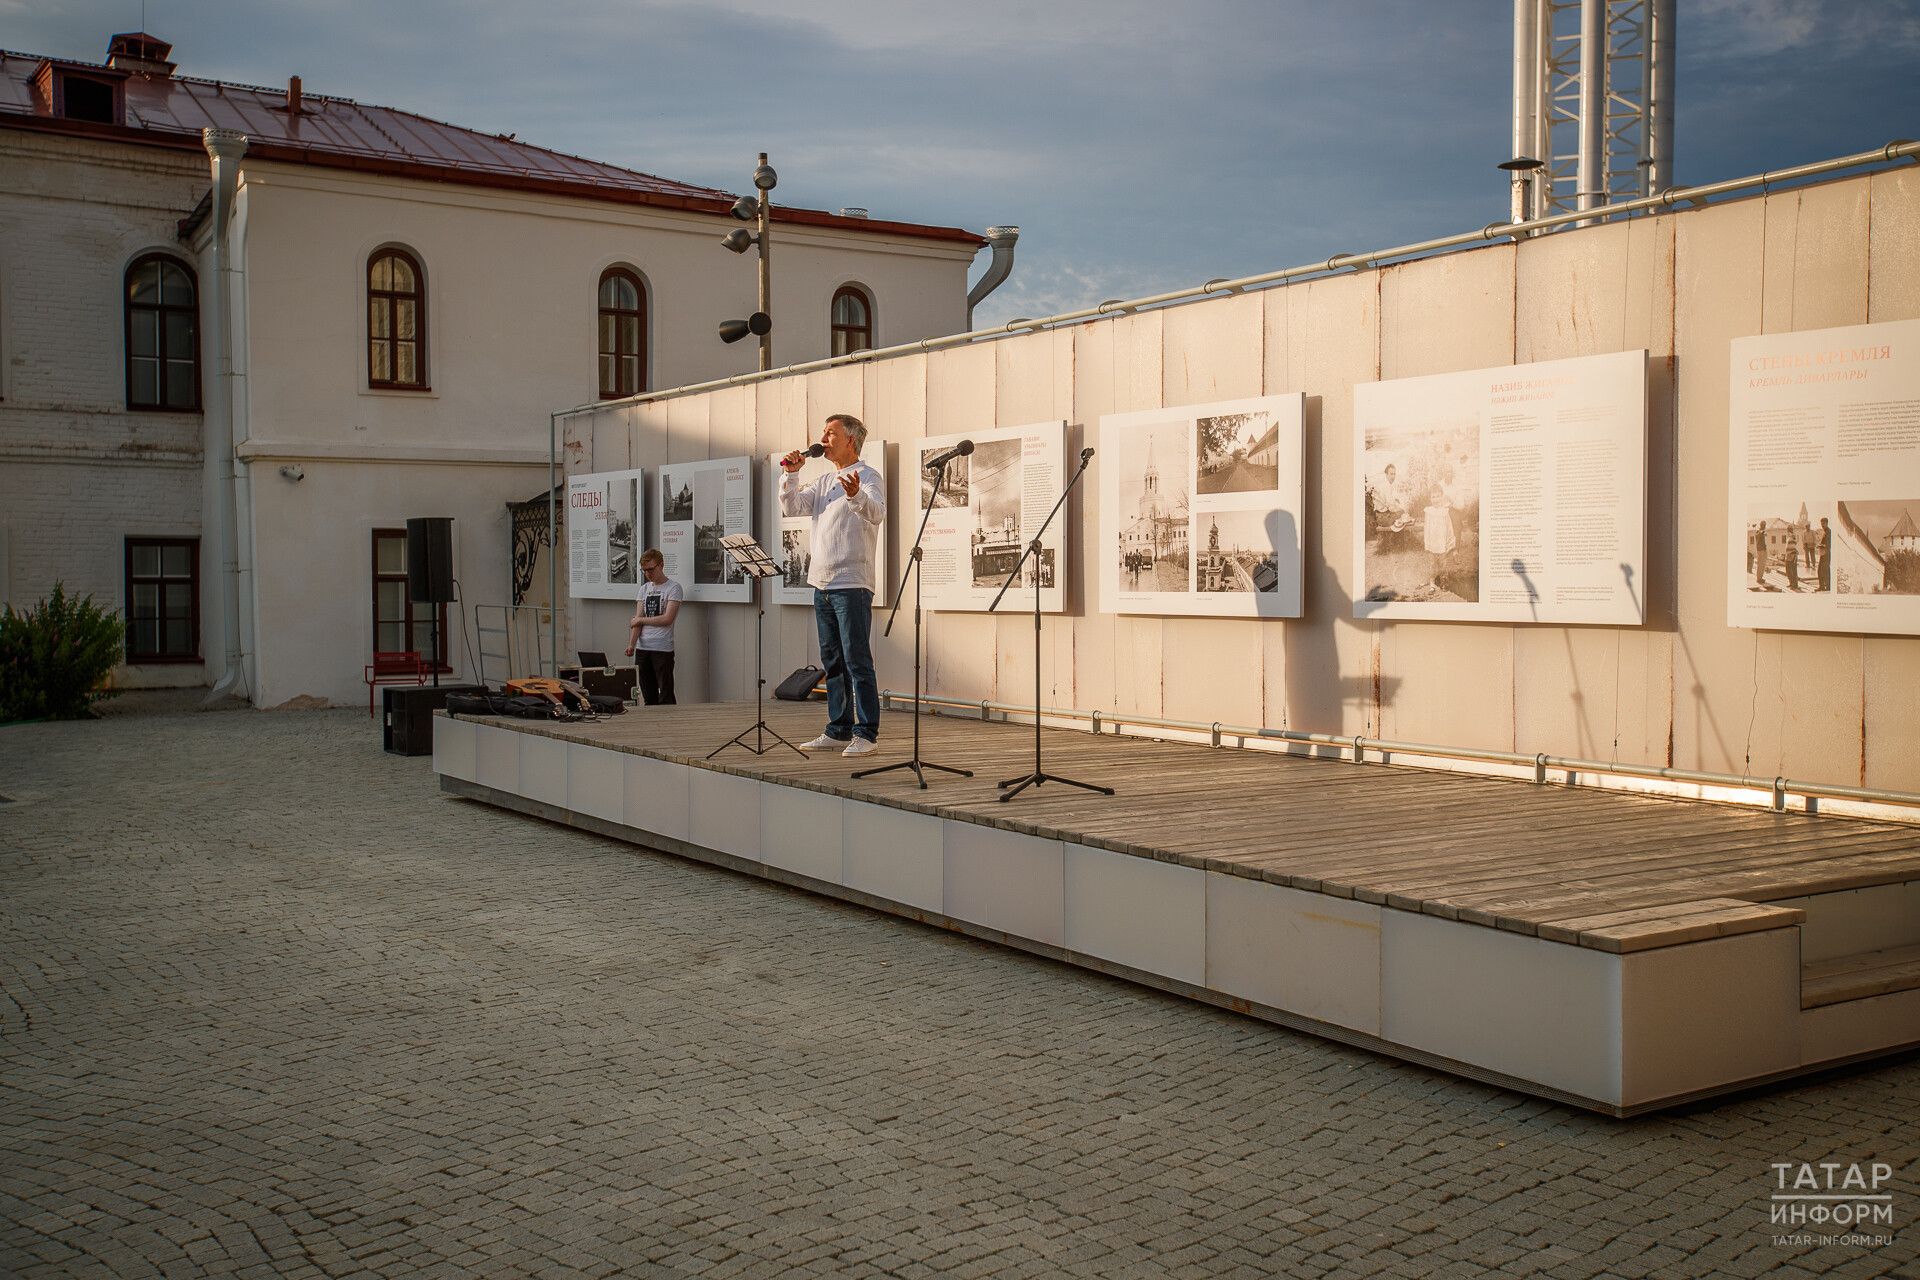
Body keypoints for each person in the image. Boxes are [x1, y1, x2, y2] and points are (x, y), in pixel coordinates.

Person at [780, 413, 886, 756]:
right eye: (823, 433)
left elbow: (876, 512)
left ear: (850, 440)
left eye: (830, 434)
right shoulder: (824, 481)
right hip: (821, 583)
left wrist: (855, 494)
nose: (823, 439)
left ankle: (866, 732)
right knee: (832, 660)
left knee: (857, 659)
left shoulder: (869, 476)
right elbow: (792, 506)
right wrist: (791, 474)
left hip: (851, 582)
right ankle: (838, 728)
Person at [623, 548, 683, 704]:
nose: (648, 574)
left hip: (662, 648)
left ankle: (668, 724)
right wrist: (631, 644)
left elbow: (667, 619)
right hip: (643, 648)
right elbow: (637, 620)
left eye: (651, 569)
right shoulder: (644, 589)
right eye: (644, 571)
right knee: (647, 693)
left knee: (665, 692)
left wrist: (641, 620)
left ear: (661, 565)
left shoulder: (673, 587)